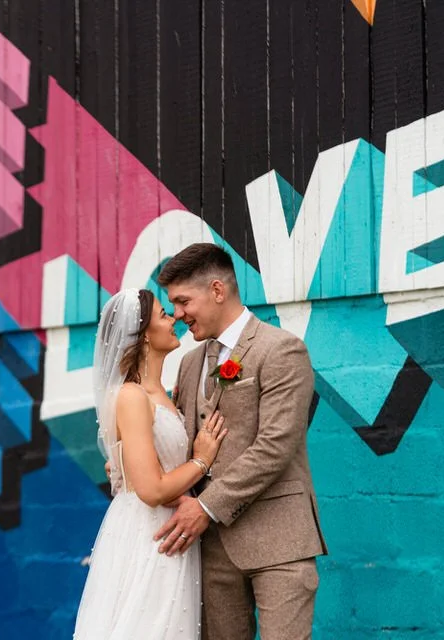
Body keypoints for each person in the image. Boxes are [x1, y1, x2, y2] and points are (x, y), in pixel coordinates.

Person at [153, 242, 328, 640]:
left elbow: (275, 447)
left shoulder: (281, 349)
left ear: (217, 291)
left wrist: (207, 507)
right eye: (173, 305)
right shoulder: (190, 361)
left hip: (279, 542)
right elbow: (178, 439)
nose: (178, 315)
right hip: (211, 550)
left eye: (183, 301)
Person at [73, 288, 228, 639]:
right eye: (163, 314)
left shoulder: (165, 394)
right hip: (150, 535)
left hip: (172, 530)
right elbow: (151, 489)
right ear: (142, 335)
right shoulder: (131, 396)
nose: (173, 318)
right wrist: (202, 460)